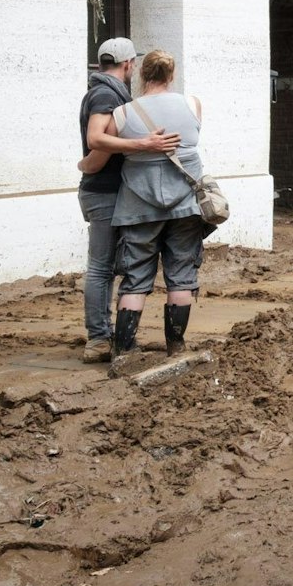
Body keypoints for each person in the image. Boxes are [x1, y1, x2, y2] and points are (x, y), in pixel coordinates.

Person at [79, 48, 209, 373]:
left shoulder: (122, 113)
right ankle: (176, 348)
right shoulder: (193, 104)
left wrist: (82, 165)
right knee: (181, 276)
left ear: (140, 74)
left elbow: (98, 154)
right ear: (172, 75)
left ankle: (123, 353)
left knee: (135, 277)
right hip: (185, 206)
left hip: (139, 207)